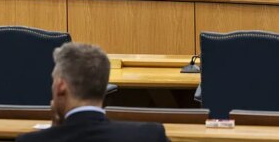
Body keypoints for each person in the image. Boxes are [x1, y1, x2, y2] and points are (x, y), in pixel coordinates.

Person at [16, 43, 166, 142]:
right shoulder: (150, 136)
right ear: (103, 86)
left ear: (61, 86)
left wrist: (55, 132)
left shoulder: (30, 141)